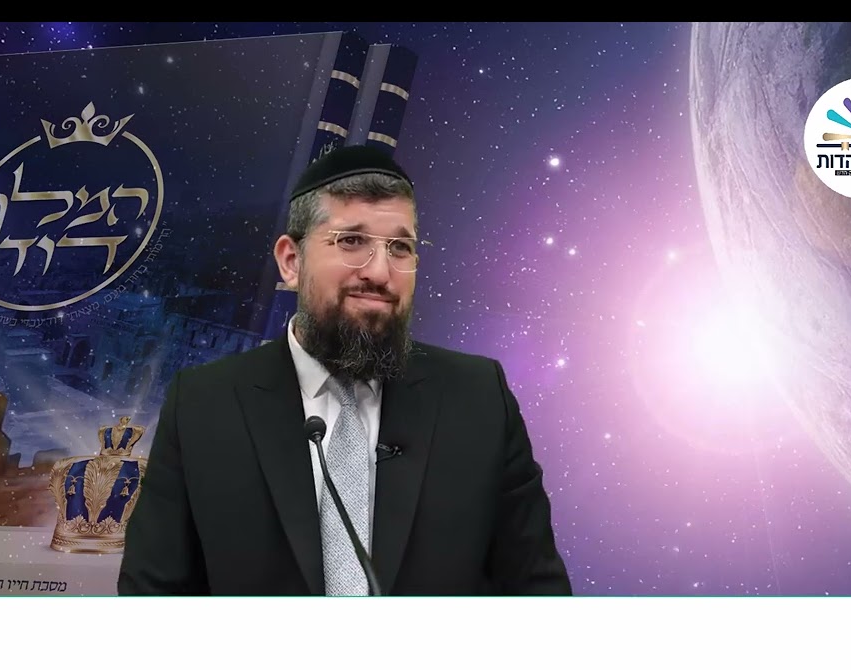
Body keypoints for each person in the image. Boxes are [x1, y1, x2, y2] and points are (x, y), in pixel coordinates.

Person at [118, 145, 571, 596]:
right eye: (352, 241)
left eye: (400, 247)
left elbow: (539, 596)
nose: (380, 272)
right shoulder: (203, 404)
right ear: (291, 261)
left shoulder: (480, 399)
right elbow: (153, 598)